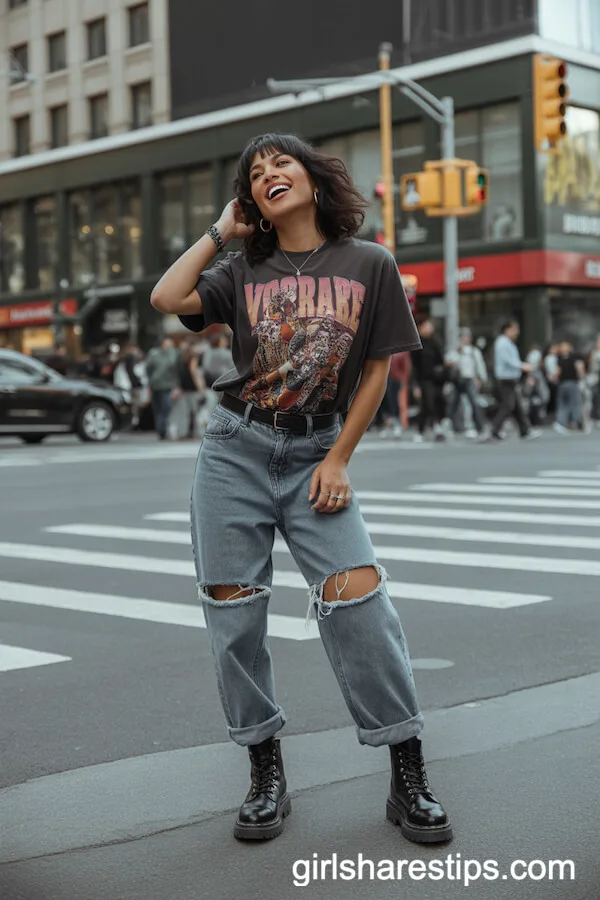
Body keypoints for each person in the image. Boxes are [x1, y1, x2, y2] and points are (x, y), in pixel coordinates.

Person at [150, 132, 452, 846]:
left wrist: (340, 458)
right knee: (234, 617)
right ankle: (265, 772)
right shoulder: (240, 269)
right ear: (251, 200)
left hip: (318, 450)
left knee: (361, 605)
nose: (269, 175)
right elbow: (168, 296)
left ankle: (406, 769)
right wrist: (221, 230)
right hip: (235, 449)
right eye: (255, 173)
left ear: (314, 179)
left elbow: (376, 370)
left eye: (281, 163)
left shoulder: (369, 263)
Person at [488, 320, 540, 442]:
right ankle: (494, 430)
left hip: (511, 377)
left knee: (517, 406)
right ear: (507, 329)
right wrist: (523, 366)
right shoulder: (502, 343)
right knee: (508, 405)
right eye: (514, 329)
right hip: (505, 377)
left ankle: (525, 430)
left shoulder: (508, 343)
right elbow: (508, 360)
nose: (517, 332)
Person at [410, 315, 447, 443]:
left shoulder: (435, 342)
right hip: (424, 379)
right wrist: (415, 385)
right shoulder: (416, 343)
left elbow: (441, 360)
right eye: (426, 325)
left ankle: (434, 428)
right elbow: (414, 366)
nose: (430, 327)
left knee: (436, 403)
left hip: (437, 379)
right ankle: (428, 429)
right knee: (428, 404)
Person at [446, 327, 487, 437]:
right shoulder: (456, 351)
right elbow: (449, 361)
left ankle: (478, 426)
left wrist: (481, 378)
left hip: (469, 379)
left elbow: (480, 365)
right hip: (458, 379)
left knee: (474, 402)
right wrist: (458, 351)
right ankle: (453, 426)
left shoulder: (474, 351)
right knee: (454, 403)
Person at [145, 336, 180, 439]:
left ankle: (163, 430)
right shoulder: (154, 354)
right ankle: (161, 430)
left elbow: (176, 372)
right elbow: (148, 369)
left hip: (167, 385)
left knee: (165, 408)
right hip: (155, 385)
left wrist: (176, 386)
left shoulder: (174, 354)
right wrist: (149, 383)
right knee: (158, 409)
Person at [170, 341, 205, 439]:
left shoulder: (180, 358)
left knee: (184, 413)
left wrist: (177, 387)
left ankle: (183, 432)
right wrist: (201, 389)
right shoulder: (193, 358)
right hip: (193, 389)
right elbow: (195, 374)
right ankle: (194, 432)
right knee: (195, 412)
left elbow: (177, 374)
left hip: (183, 389)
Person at [553, 340, 586, 434]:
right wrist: (582, 379)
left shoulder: (560, 359)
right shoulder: (573, 358)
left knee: (563, 403)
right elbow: (580, 369)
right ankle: (575, 421)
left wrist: (554, 378)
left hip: (564, 383)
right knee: (574, 403)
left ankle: (561, 422)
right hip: (571, 382)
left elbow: (558, 371)